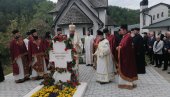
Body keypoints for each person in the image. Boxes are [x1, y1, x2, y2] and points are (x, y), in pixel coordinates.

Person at [117, 24, 138, 90]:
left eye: (121, 30)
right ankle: (124, 83)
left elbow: (125, 47)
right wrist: (120, 46)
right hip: (125, 56)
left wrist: (119, 48)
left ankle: (128, 84)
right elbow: (122, 44)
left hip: (128, 57)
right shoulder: (124, 36)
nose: (120, 31)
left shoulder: (128, 37)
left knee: (128, 70)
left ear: (125, 30)